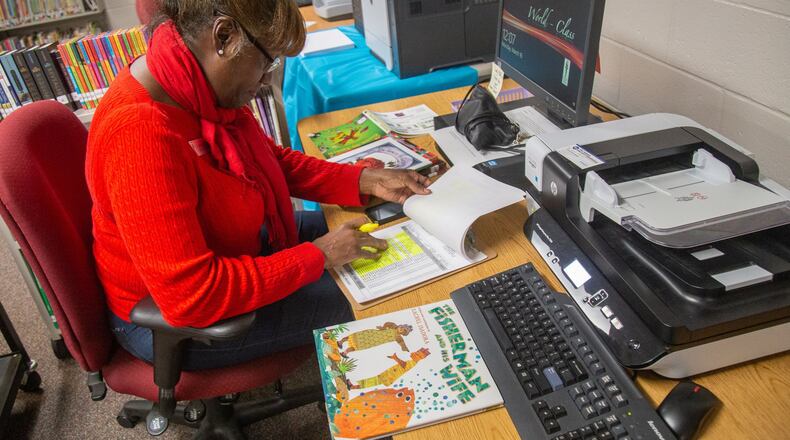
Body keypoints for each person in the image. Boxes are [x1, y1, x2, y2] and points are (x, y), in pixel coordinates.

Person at [85, 0, 431, 370]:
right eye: (268, 62)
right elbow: (192, 295)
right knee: (389, 296)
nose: (267, 78)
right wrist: (320, 254)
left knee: (386, 222)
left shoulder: (191, 81)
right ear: (224, 36)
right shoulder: (140, 135)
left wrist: (360, 179)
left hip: (234, 246)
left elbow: (269, 163)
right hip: (178, 320)